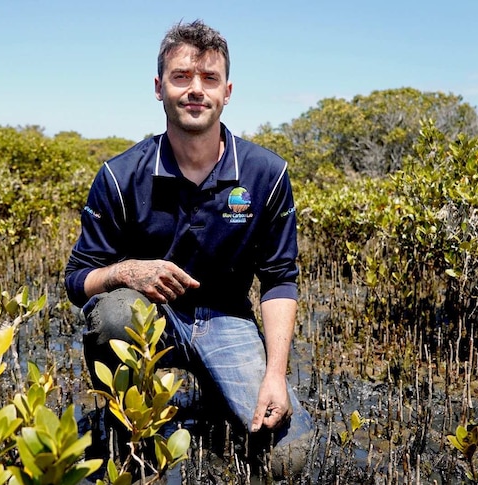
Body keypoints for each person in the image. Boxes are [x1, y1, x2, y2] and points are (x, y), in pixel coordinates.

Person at [64, 19, 313, 478]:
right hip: (151, 318)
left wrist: (276, 374)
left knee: (288, 459)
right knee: (114, 312)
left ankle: (220, 395)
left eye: (209, 79)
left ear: (227, 91)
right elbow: (78, 279)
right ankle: (131, 425)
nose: (195, 90)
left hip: (228, 320)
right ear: (159, 88)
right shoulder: (120, 176)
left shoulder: (267, 173)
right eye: (181, 77)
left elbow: (280, 280)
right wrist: (127, 272)